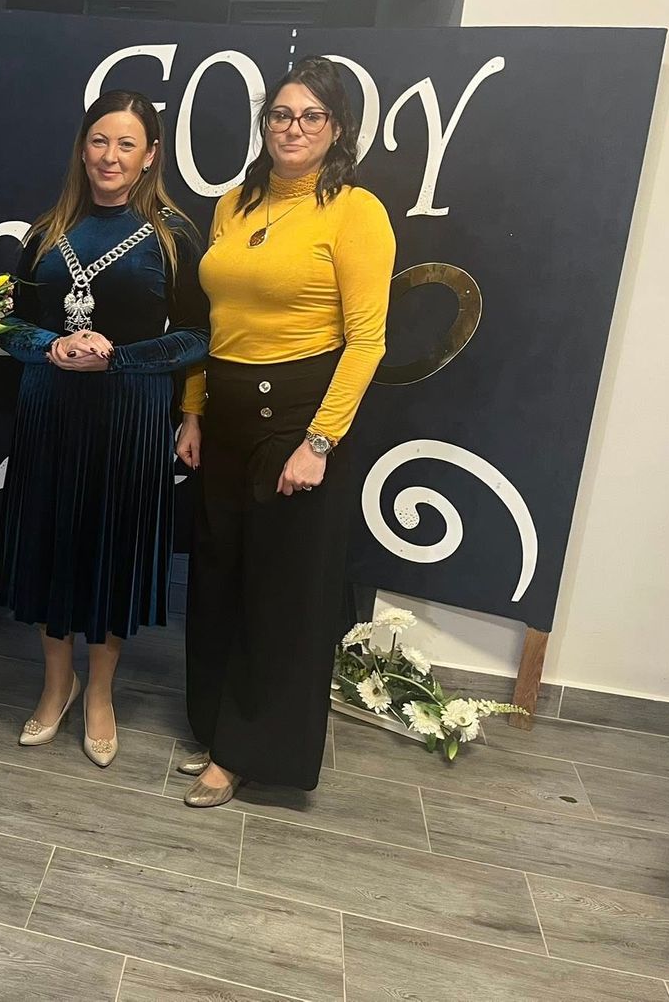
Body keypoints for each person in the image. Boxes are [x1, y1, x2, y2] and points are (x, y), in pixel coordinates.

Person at [175, 55, 396, 806]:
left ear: (337, 130)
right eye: (280, 114)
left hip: (299, 419)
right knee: (219, 580)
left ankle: (248, 753)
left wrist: (320, 442)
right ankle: (217, 729)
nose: (292, 128)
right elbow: (212, 320)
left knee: (280, 595)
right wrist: (194, 410)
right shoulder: (233, 203)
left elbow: (367, 342)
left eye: (311, 116)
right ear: (264, 123)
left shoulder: (356, 211)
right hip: (226, 413)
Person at [0, 89, 208, 767]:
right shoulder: (46, 232)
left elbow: (199, 336)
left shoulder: (174, 237)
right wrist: (49, 346)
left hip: (130, 417)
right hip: (50, 410)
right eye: (99, 141)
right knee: (52, 547)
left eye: (126, 144)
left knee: (111, 552)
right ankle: (56, 684)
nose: (110, 156)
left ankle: (100, 694)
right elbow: (9, 326)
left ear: (150, 156)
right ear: (82, 149)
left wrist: (119, 359)